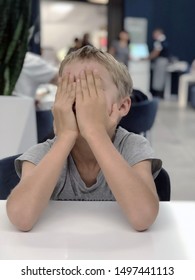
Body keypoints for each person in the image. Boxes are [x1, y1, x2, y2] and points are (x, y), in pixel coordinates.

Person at [6, 46, 162, 232]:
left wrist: (95, 132)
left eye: (92, 87)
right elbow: (20, 218)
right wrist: (65, 138)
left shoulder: (133, 147)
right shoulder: (42, 154)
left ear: (122, 106)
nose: (79, 97)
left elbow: (143, 217)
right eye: (69, 87)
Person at [147, 28, 169, 98]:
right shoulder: (164, 41)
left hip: (160, 61)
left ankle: (157, 94)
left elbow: (156, 52)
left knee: (158, 78)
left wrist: (147, 58)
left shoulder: (159, 41)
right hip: (163, 61)